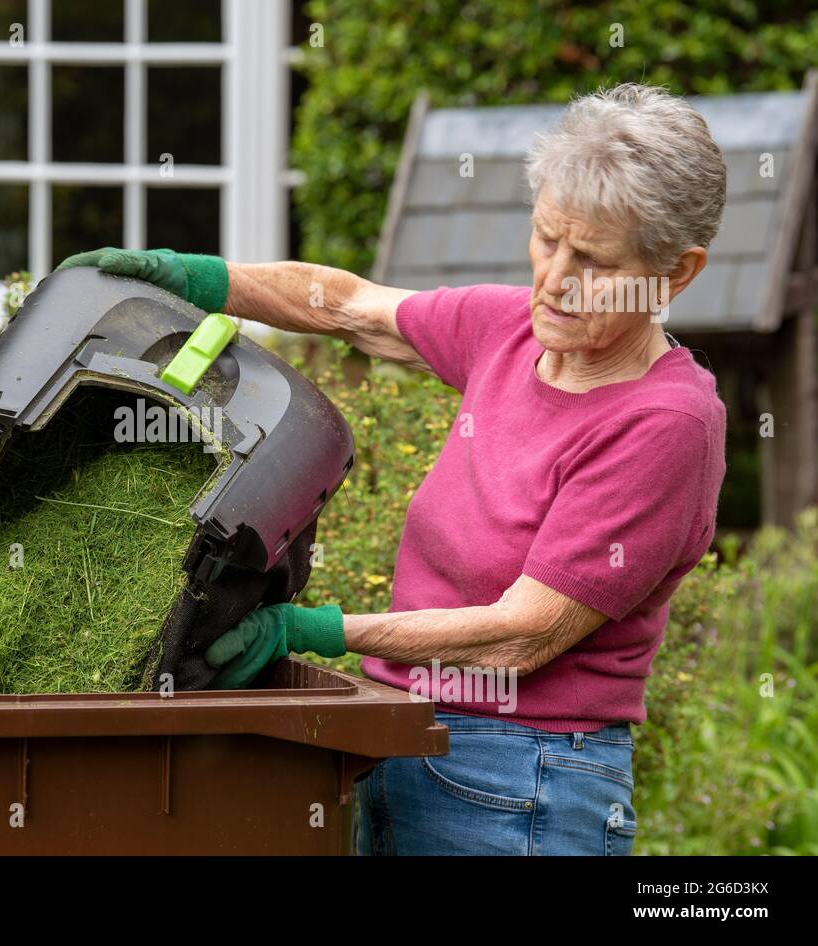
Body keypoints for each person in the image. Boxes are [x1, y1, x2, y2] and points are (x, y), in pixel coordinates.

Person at [56, 83, 728, 855]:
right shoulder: (512, 329)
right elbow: (347, 306)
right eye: (548, 240)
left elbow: (523, 637)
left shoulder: (663, 425)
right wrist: (199, 278)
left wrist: (314, 630)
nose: (554, 280)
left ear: (676, 274)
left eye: (595, 262)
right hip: (403, 737)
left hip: (526, 784)